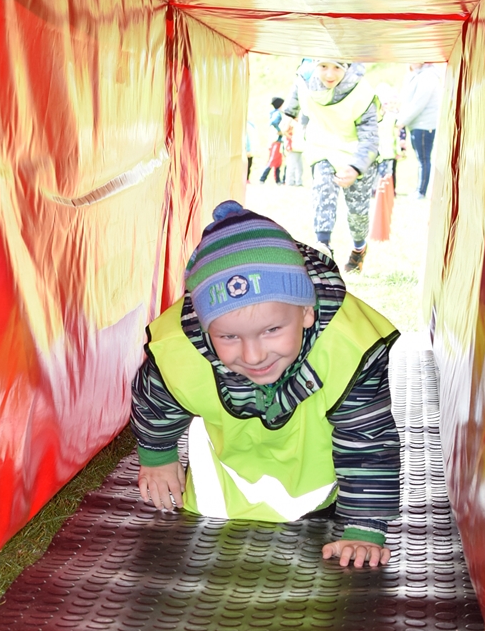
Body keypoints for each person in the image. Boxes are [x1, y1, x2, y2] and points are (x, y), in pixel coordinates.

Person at [131, 200, 401, 569]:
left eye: (272, 330)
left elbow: (367, 440)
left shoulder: (346, 348)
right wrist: (158, 457)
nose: (254, 355)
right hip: (222, 492)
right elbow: (154, 403)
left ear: (306, 312)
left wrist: (364, 527)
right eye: (229, 337)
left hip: (316, 494)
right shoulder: (181, 351)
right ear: (206, 328)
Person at [283, 59, 379, 273]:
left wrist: (356, 168)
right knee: (323, 189)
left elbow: (370, 139)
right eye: (323, 66)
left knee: (357, 211)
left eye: (337, 67)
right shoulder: (306, 76)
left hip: (355, 152)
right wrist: (289, 114)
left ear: (348, 68)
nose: (329, 74)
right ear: (315, 65)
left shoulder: (363, 94)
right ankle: (323, 248)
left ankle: (359, 248)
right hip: (323, 146)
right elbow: (298, 88)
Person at [397, 63, 441, 199]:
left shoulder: (428, 75)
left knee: (424, 159)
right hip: (416, 124)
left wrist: (402, 121)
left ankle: (421, 192)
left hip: (424, 124)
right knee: (421, 158)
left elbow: (418, 103)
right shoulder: (416, 75)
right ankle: (419, 190)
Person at [259, 96, 285, 184]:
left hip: (275, 140)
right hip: (277, 140)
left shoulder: (274, 113)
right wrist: (279, 131)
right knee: (273, 159)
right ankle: (262, 178)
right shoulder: (278, 113)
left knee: (278, 161)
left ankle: (277, 180)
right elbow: (273, 122)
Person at [283, 114, 305, 186]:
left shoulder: (299, 123)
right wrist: (291, 138)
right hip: (294, 147)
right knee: (292, 166)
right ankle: (290, 182)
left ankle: (298, 181)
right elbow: (285, 131)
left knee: (299, 167)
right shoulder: (292, 122)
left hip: (299, 147)